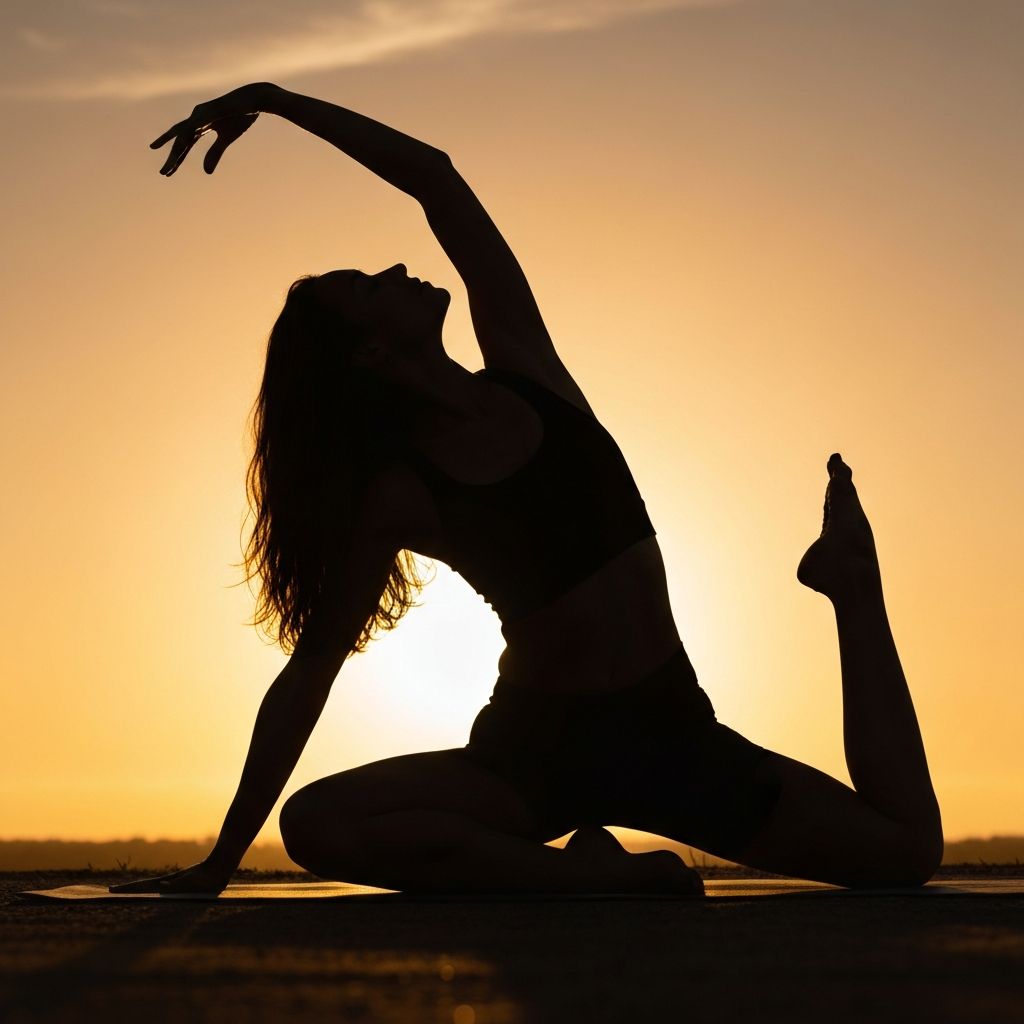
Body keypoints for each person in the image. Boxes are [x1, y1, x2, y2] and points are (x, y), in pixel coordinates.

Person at [112, 83, 943, 896]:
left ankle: (851, 591)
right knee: (315, 825)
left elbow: (435, 178)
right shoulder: (404, 491)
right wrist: (222, 860)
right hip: (531, 754)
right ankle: (581, 878)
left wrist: (277, 99)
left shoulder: (524, 365)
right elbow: (313, 670)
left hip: (671, 733)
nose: (399, 267)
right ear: (367, 355)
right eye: (370, 287)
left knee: (906, 855)